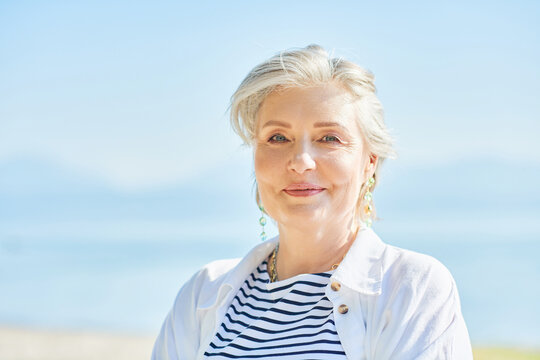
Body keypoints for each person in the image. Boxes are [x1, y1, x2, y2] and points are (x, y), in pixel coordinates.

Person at [152, 44, 473, 359]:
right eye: (278, 137)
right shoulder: (202, 294)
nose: (300, 161)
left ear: (369, 162)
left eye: (329, 138)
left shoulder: (412, 288)